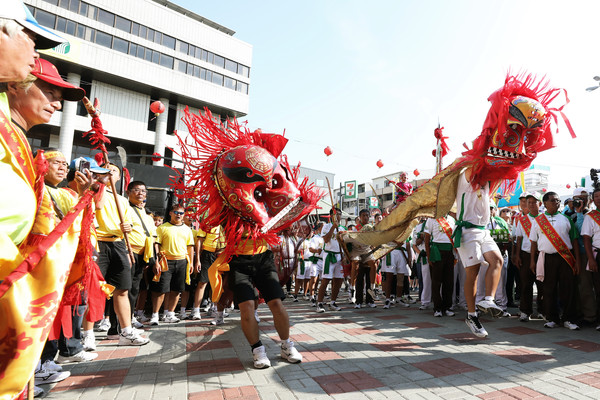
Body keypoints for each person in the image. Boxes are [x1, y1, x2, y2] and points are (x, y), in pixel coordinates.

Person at [95, 163, 149, 345]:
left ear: (119, 177)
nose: (110, 172)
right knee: (95, 290)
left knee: (123, 289)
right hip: (98, 243)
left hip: (118, 245)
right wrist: (100, 185)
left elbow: (127, 225)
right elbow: (96, 207)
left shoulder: (122, 200)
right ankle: (87, 335)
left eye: (114, 171)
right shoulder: (94, 191)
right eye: (105, 169)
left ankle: (125, 332)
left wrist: (127, 241)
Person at [529, 192, 580, 330]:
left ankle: (568, 319)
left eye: (558, 200)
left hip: (565, 258)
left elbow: (574, 240)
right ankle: (552, 318)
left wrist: (577, 261)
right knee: (549, 289)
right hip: (547, 258)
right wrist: (532, 261)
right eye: (553, 200)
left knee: (567, 288)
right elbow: (533, 242)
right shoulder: (538, 221)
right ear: (545, 203)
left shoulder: (566, 219)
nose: (556, 203)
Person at [150, 204, 194, 325]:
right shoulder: (162, 228)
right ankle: (155, 315)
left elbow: (190, 247)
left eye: (181, 213)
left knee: (177, 290)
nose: (178, 215)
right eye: (176, 212)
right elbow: (156, 244)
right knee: (161, 290)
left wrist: (191, 263)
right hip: (165, 261)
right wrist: (157, 261)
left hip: (182, 261)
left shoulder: (187, 229)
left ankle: (170, 314)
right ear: (170, 213)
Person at [126, 181, 157, 329]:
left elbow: (152, 238)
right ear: (128, 192)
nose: (140, 193)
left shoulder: (147, 215)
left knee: (134, 289)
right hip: (128, 253)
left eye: (143, 191)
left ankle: (130, 317)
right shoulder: (125, 208)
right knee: (122, 289)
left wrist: (152, 259)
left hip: (142, 256)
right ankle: (111, 320)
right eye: (137, 190)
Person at [513, 194, 544, 321]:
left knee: (542, 284)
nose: (531, 204)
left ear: (540, 204)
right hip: (525, 254)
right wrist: (517, 255)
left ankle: (543, 310)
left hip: (541, 254)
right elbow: (518, 238)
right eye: (529, 202)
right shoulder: (523, 220)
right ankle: (525, 311)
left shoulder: (544, 219)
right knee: (525, 283)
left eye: (534, 202)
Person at [423, 215, 456, 317]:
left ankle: (447, 307)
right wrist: (429, 256)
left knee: (449, 281)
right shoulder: (431, 219)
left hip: (449, 252)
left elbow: (454, 238)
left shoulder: (451, 219)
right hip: (436, 251)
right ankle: (437, 308)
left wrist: (456, 255)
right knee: (436, 281)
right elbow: (427, 238)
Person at [316, 208, 346, 313]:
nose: (338, 216)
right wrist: (333, 227)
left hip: (340, 256)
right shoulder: (326, 227)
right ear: (331, 216)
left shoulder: (343, 228)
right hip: (329, 256)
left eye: (339, 214)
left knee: (338, 280)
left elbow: (344, 244)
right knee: (326, 280)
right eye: (336, 214)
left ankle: (333, 302)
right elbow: (326, 239)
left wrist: (345, 256)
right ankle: (319, 303)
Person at [581, 187, 600, 331]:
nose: (599, 198)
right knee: (598, 288)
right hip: (597, 254)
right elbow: (586, 239)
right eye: (597, 196)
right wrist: (591, 259)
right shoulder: (590, 216)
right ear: (593, 200)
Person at [381, 241, 412, 310]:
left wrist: (409, 256)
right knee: (389, 277)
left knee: (401, 277)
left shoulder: (406, 230)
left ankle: (399, 298)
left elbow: (407, 243)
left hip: (402, 253)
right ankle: (388, 299)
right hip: (391, 251)